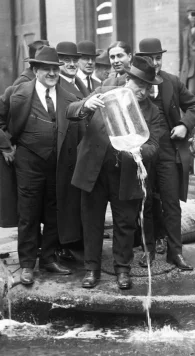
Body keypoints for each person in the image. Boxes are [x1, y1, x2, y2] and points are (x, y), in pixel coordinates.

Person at [66, 56, 162, 290]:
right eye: (140, 85)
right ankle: (92, 270)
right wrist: (85, 106)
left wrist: (139, 150)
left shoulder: (152, 112)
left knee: (125, 223)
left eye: (148, 87)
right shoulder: (103, 92)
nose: (144, 91)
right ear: (128, 80)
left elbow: (155, 146)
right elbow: (71, 111)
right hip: (94, 171)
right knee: (91, 222)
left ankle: (122, 270)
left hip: (126, 173)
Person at [0, 46, 84, 285]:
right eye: (46, 69)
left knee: (54, 211)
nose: (51, 73)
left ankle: (48, 258)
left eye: (54, 69)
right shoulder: (17, 94)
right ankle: (27, 264)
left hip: (58, 164)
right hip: (28, 162)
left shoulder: (68, 94)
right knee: (28, 213)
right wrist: (6, 146)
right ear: (35, 70)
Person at [135, 37, 195, 270]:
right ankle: (148, 250)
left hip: (168, 152)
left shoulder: (172, 82)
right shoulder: (131, 84)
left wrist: (185, 124)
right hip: (141, 154)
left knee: (171, 203)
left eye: (158, 58)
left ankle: (176, 253)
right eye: (150, 59)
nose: (155, 63)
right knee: (145, 204)